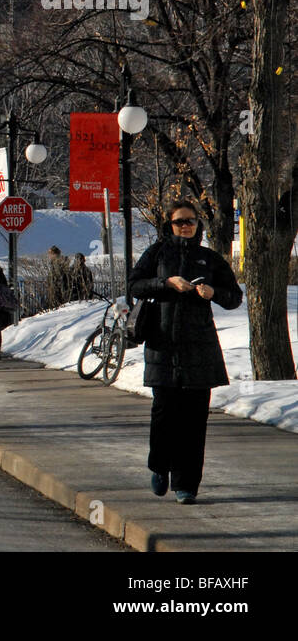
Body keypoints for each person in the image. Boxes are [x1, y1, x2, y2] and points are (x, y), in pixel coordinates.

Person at [129, 200, 242, 505]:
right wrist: (165, 283)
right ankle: (159, 466)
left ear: (198, 225)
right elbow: (135, 286)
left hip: (199, 350)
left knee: (194, 422)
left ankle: (186, 484)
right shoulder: (157, 253)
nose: (186, 226)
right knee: (163, 415)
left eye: (191, 221)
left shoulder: (209, 259)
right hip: (162, 346)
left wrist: (214, 293)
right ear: (169, 224)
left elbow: (234, 297)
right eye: (180, 222)